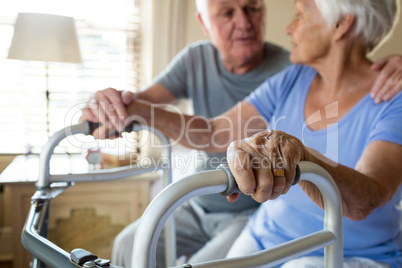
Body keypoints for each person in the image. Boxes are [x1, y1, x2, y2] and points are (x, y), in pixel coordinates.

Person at [82, 0, 402, 266]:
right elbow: (212, 134)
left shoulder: (393, 96)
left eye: (300, 14)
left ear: (341, 25)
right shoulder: (293, 78)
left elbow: (367, 199)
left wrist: (304, 157)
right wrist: (134, 109)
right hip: (267, 235)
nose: (289, 27)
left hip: (347, 253)